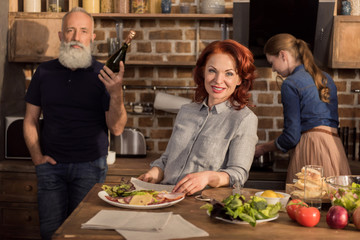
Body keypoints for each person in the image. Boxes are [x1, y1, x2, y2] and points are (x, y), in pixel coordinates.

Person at [23, 7, 127, 240]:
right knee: (50, 233)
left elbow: (117, 128)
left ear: (92, 37)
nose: (76, 37)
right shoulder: (44, 72)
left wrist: (116, 93)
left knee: (84, 234)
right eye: (69, 30)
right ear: (61, 36)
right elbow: (29, 120)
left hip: (91, 169)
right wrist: (37, 159)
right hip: (51, 168)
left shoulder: (105, 74)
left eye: (83, 31)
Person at [138, 39, 258, 195]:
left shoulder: (244, 119)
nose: (218, 80)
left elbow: (238, 174)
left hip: (202, 204)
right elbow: (167, 159)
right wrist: (153, 173)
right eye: (212, 70)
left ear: (240, 79)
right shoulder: (186, 111)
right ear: (203, 72)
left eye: (228, 73)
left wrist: (208, 177)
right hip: (164, 197)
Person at [255, 33, 351, 183]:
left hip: (311, 150)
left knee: (305, 204)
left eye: (272, 63)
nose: (273, 69)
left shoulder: (290, 83)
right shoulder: (326, 78)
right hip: (335, 149)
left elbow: (291, 137)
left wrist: (262, 148)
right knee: (335, 204)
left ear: (283, 55)